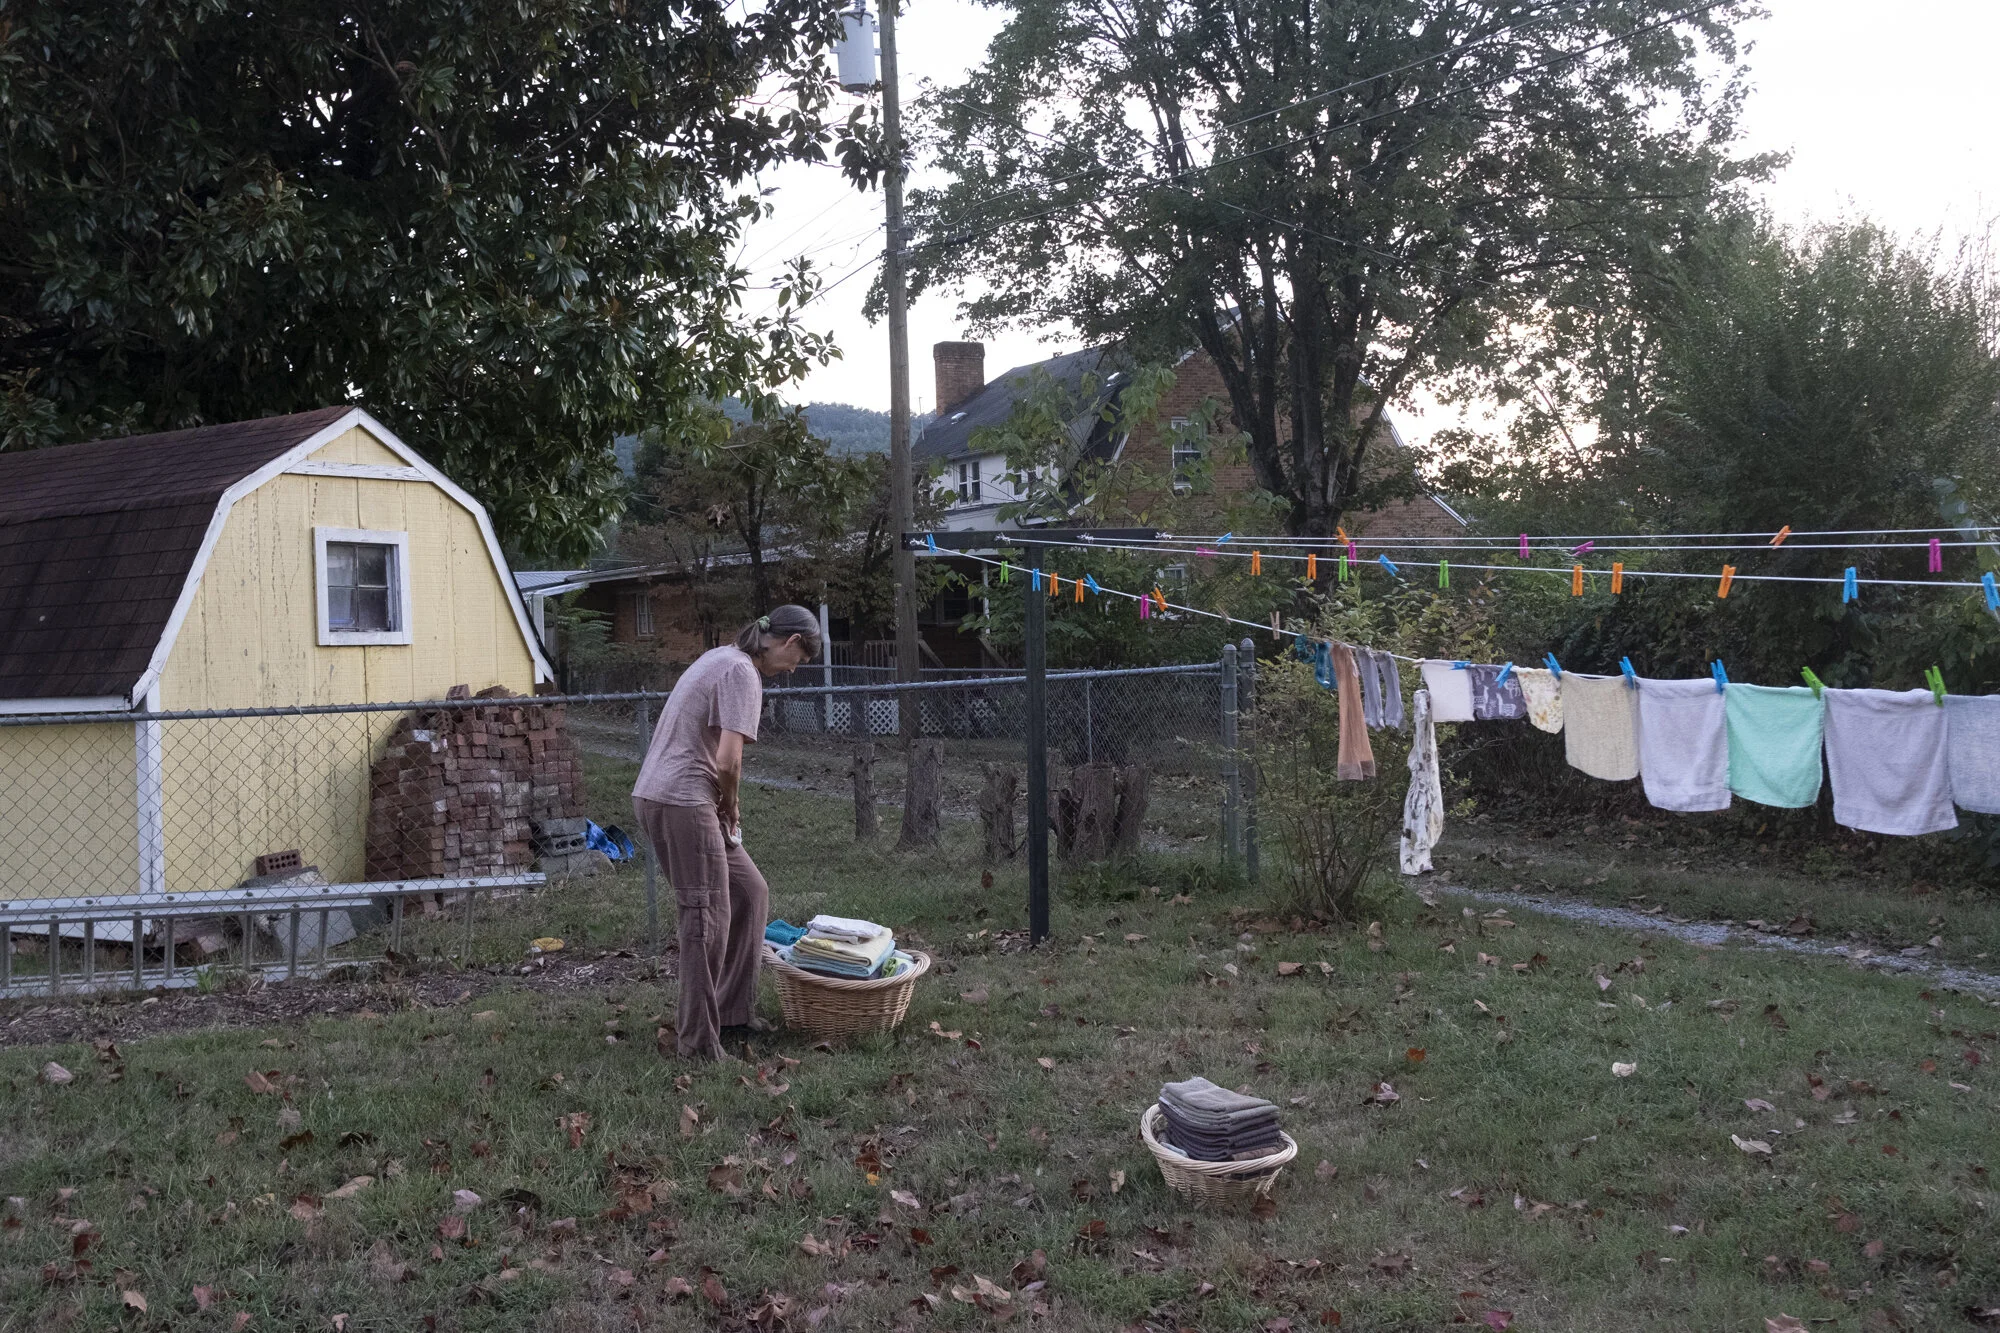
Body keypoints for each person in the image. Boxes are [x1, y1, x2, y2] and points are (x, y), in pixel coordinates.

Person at [632, 605, 821, 1059]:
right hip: (682, 800)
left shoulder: (722, 657)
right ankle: (697, 1042)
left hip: (674, 795)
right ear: (790, 642)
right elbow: (728, 761)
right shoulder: (742, 672)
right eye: (800, 660)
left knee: (749, 893)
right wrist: (729, 805)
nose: (794, 670)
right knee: (706, 920)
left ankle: (733, 1012)